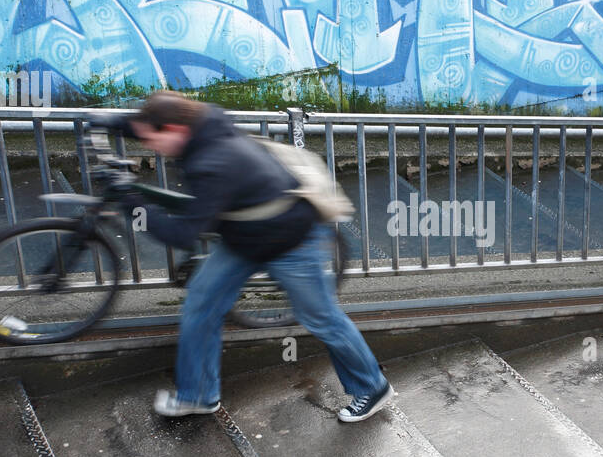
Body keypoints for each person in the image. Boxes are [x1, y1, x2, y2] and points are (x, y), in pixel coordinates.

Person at [98, 91, 394, 422]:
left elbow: (182, 235)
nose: (150, 148)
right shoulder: (201, 119)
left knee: (320, 317)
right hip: (245, 235)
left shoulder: (213, 163)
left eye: (153, 140)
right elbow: (147, 124)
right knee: (201, 303)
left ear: (174, 129)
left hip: (291, 239)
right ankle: (197, 395)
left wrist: (129, 198)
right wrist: (112, 123)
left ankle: (372, 387)